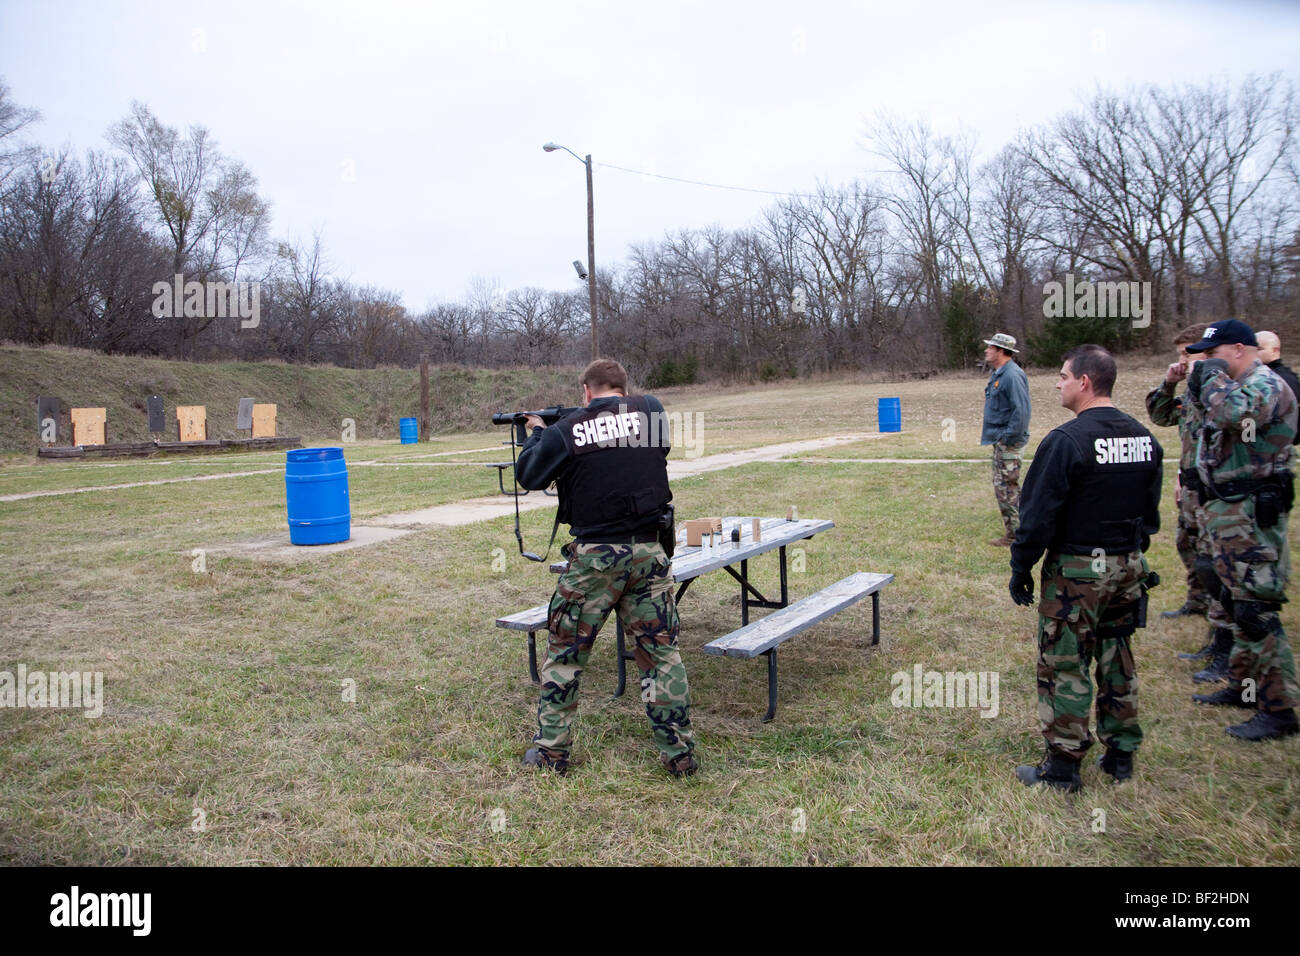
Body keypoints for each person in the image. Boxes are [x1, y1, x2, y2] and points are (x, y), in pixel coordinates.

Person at [513, 358, 698, 776]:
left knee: (566, 655)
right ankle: (679, 755)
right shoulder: (650, 409)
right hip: (649, 552)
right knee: (661, 656)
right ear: (623, 386)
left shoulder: (566, 431)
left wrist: (539, 433)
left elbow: (529, 475)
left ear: (585, 391)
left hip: (596, 559)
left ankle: (551, 753)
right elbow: (649, 445)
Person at [1009, 345, 1162, 791]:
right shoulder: (1143, 438)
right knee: (1118, 657)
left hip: (1077, 572)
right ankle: (1121, 755)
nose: (1057, 383)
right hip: (1128, 566)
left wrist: (1022, 565)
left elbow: (1036, 518)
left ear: (1085, 382)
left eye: (1062, 376)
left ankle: (1062, 769)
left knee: (1064, 664)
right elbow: (1149, 515)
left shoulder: (1066, 441)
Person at [1183, 319, 1300, 740]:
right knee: (1232, 599)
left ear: (1237, 349)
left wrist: (1210, 378)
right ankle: (1245, 686)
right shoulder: (1234, 385)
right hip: (1228, 510)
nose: (1206, 363)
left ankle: (1280, 708)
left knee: (1255, 607)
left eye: (1212, 355)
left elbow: (1233, 413)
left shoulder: (1264, 385)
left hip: (1253, 513)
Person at [1146, 324, 1216, 645]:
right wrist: (1169, 383)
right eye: (1179, 355)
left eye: (1188, 353)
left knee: (1211, 551)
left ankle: (1219, 609)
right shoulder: (1188, 390)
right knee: (1186, 542)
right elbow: (1160, 416)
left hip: (1213, 486)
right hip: (1189, 481)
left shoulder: (1220, 388)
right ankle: (1198, 599)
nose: (1182, 361)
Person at [981, 332, 1032, 547]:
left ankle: (1017, 535)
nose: (986, 350)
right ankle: (1015, 531)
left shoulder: (1012, 375)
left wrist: (1007, 438)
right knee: (1003, 486)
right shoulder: (1000, 373)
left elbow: (1021, 412)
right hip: (1002, 440)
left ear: (1001, 351)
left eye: (990, 347)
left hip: (1008, 442)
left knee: (1008, 487)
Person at [1256, 331, 1300, 412]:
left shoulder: (1284, 379)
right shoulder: (1256, 375)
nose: (1254, 353)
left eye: (1259, 349)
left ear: (1275, 350)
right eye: (1252, 349)